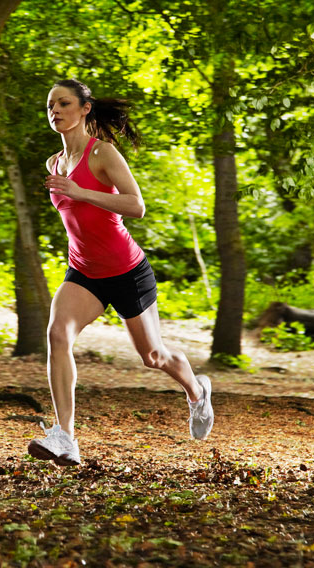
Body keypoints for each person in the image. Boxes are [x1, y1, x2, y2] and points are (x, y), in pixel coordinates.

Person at [27, 79, 213, 467]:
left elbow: (135, 205)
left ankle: (197, 391)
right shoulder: (54, 163)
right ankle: (65, 438)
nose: (55, 111)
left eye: (63, 103)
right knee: (57, 335)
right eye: (50, 106)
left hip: (127, 271)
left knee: (153, 356)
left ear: (85, 109)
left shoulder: (103, 154)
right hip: (83, 272)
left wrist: (81, 192)